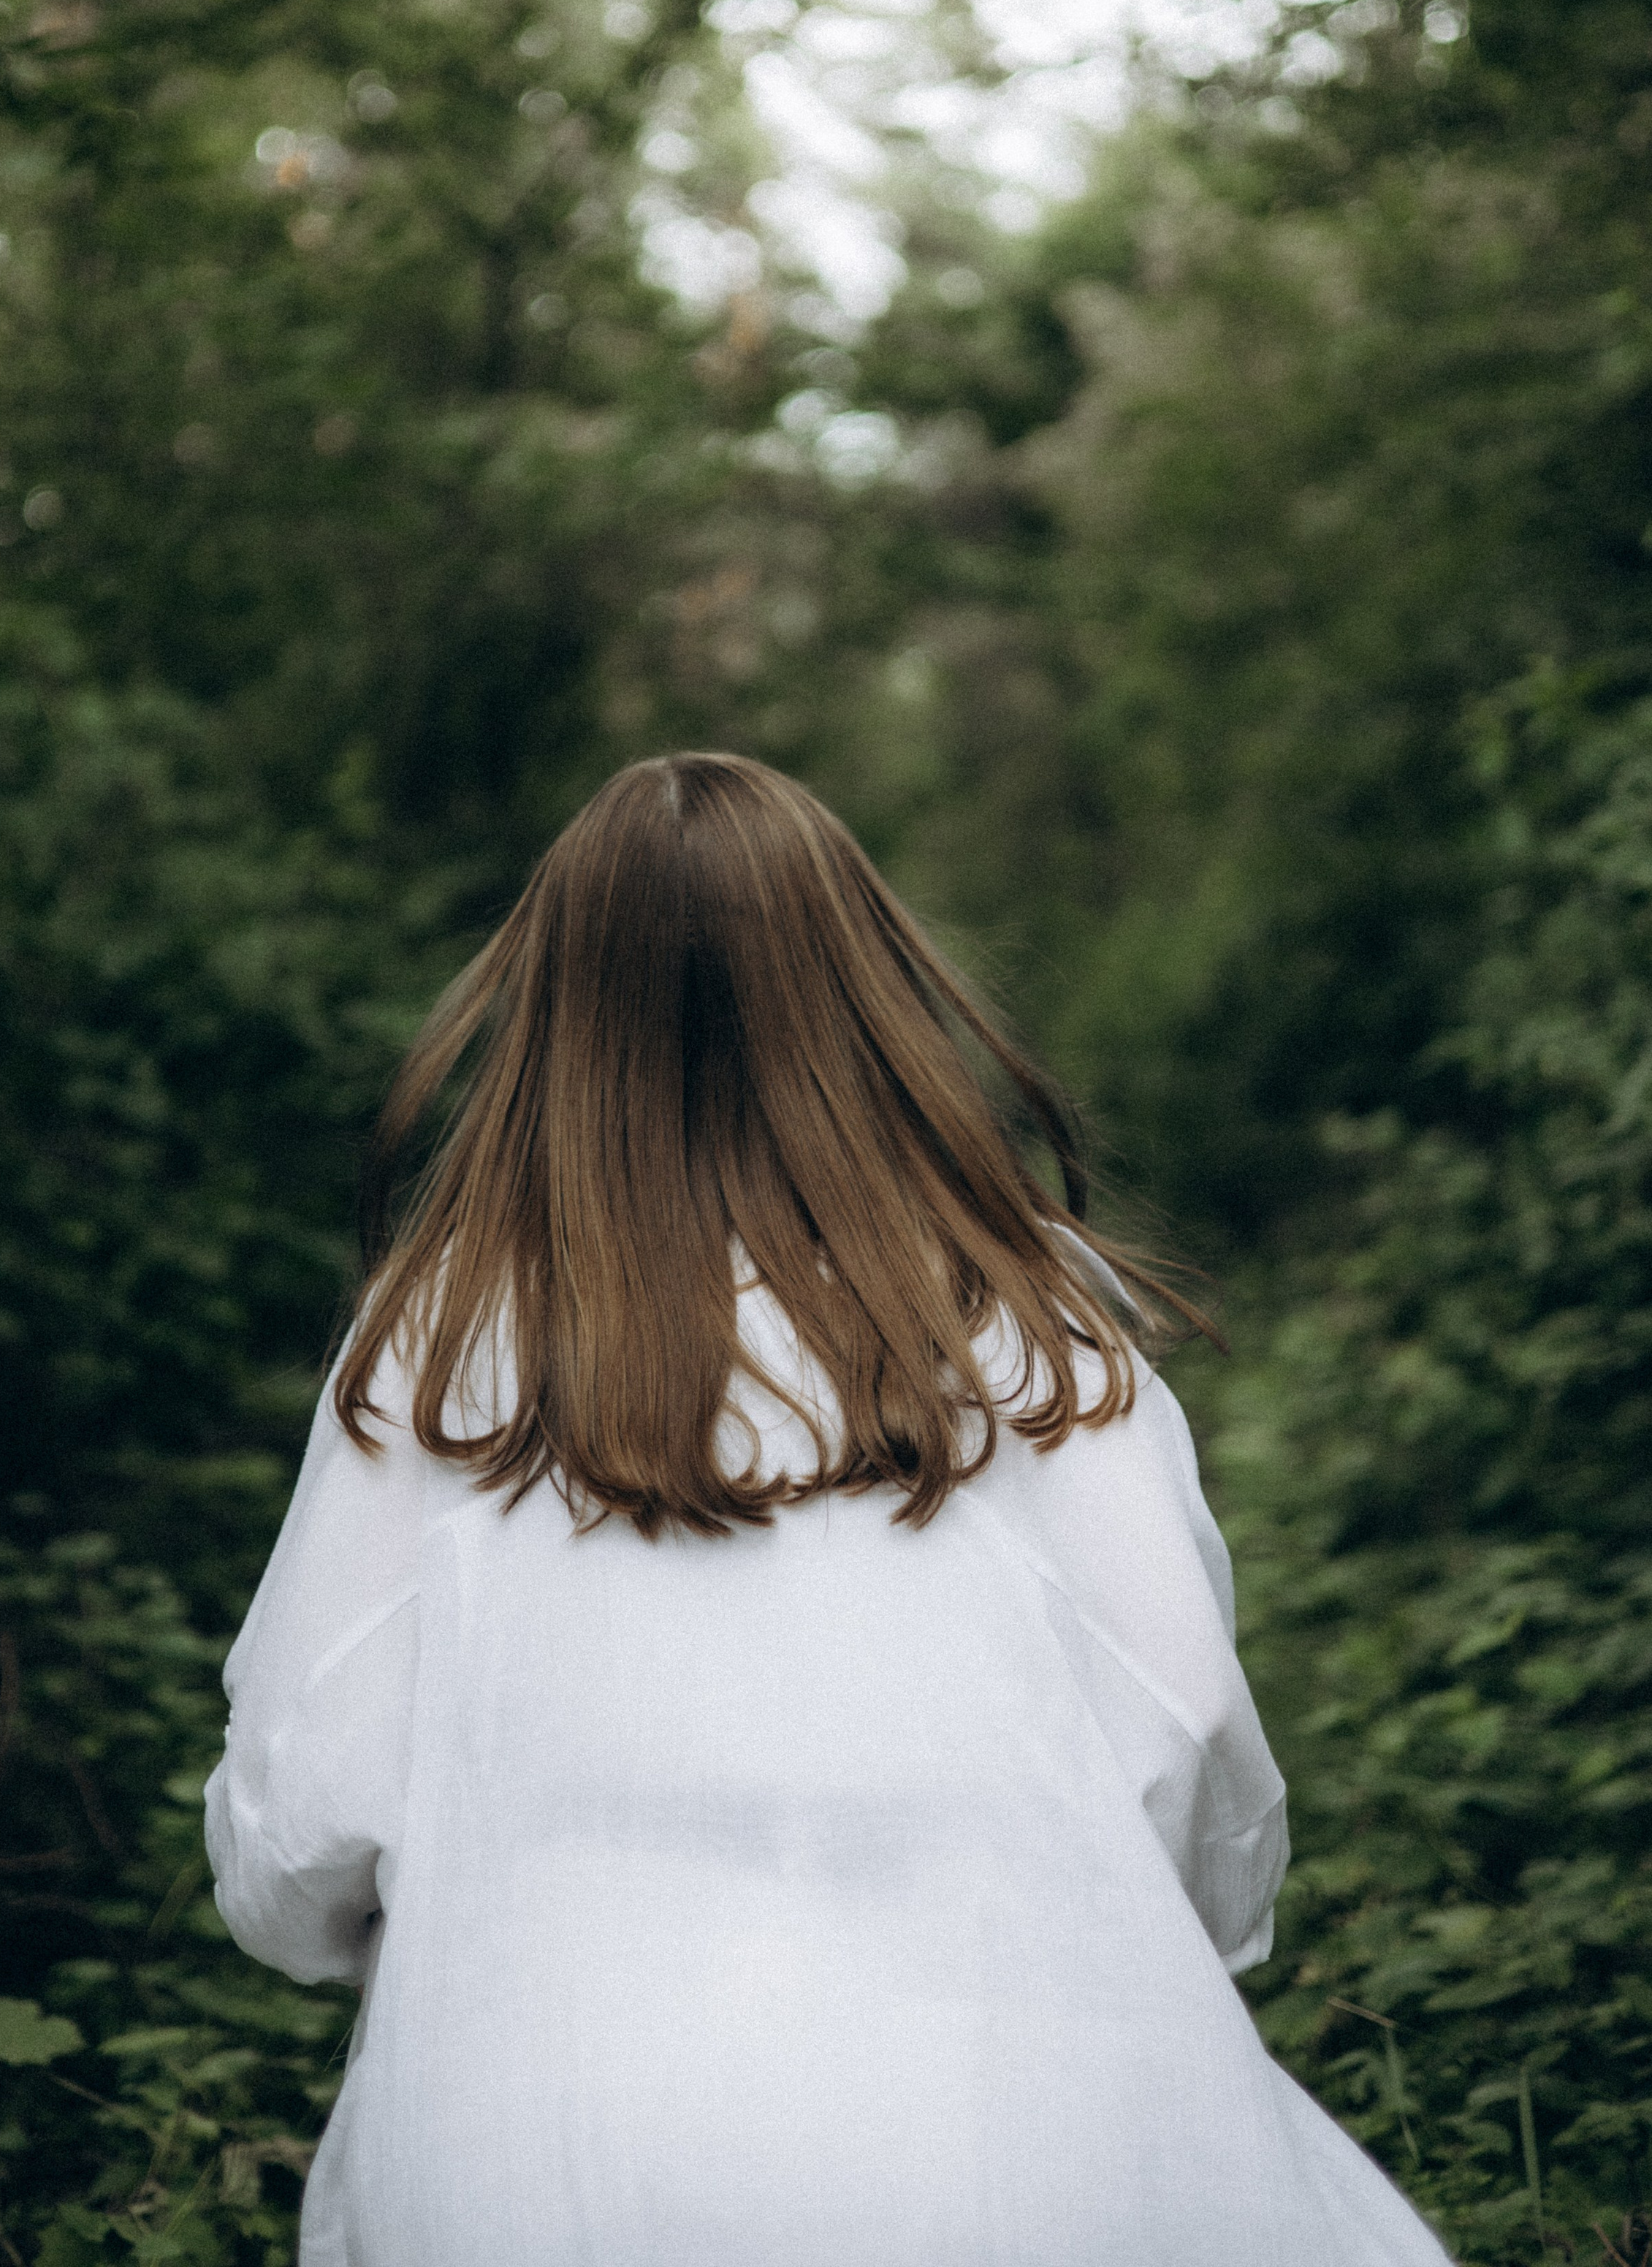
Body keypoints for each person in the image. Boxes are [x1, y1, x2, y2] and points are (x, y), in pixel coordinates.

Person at [205, 752, 1452, 2267]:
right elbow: (1183, 1719)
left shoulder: (441, 1342)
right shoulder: (1023, 1310)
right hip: (1037, 2132)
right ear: (860, 987)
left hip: (542, 2158)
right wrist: (1156, 1940)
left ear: (552, 1009)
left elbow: (300, 1817)